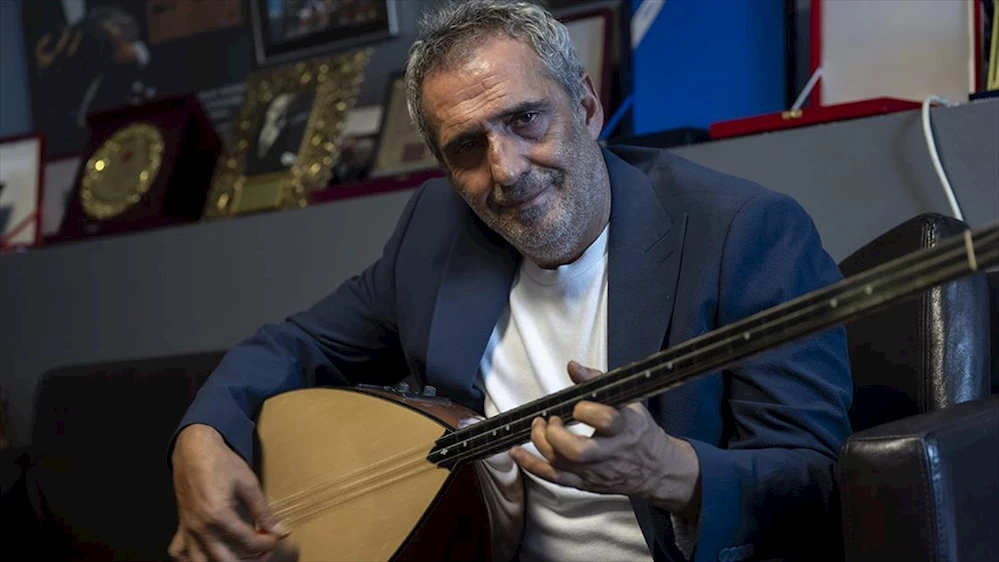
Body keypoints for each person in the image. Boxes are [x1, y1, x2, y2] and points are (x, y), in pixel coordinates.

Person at [167, 1, 853, 561]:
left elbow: (817, 481)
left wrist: (667, 471)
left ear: (585, 107)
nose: (507, 169)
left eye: (525, 119)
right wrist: (202, 437)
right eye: (467, 147)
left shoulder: (745, 233)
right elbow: (296, 345)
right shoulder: (437, 230)